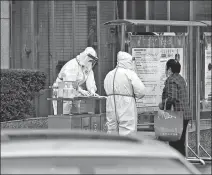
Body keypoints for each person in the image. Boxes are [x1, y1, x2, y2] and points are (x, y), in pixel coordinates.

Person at [104, 51, 146, 136]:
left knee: (112, 129)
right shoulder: (129, 73)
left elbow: (106, 89)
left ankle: (113, 149)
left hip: (111, 104)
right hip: (126, 105)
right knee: (128, 131)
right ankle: (126, 149)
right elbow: (141, 91)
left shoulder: (109, 74)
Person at [159, 59, 192, 156]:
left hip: (175, 115)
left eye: (166, 68)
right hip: (184, 114)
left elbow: (172, 97)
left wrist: (162, 104)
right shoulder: (181, 79)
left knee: (174, 144)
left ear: (169, 69)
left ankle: (177, 167)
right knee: (180, 143)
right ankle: (183, 166)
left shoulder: (171, 79)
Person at [52, 47, 99, 115]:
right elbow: (69, 81)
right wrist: (81, 90)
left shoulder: (87, 66)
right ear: (86, 58)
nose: (91, 62)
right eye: (90, 60)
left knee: (76, 112)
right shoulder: (72, 65)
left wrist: (92, 90)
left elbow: (90, 80)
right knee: (63, 113)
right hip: (61, 88)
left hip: (74, 89)